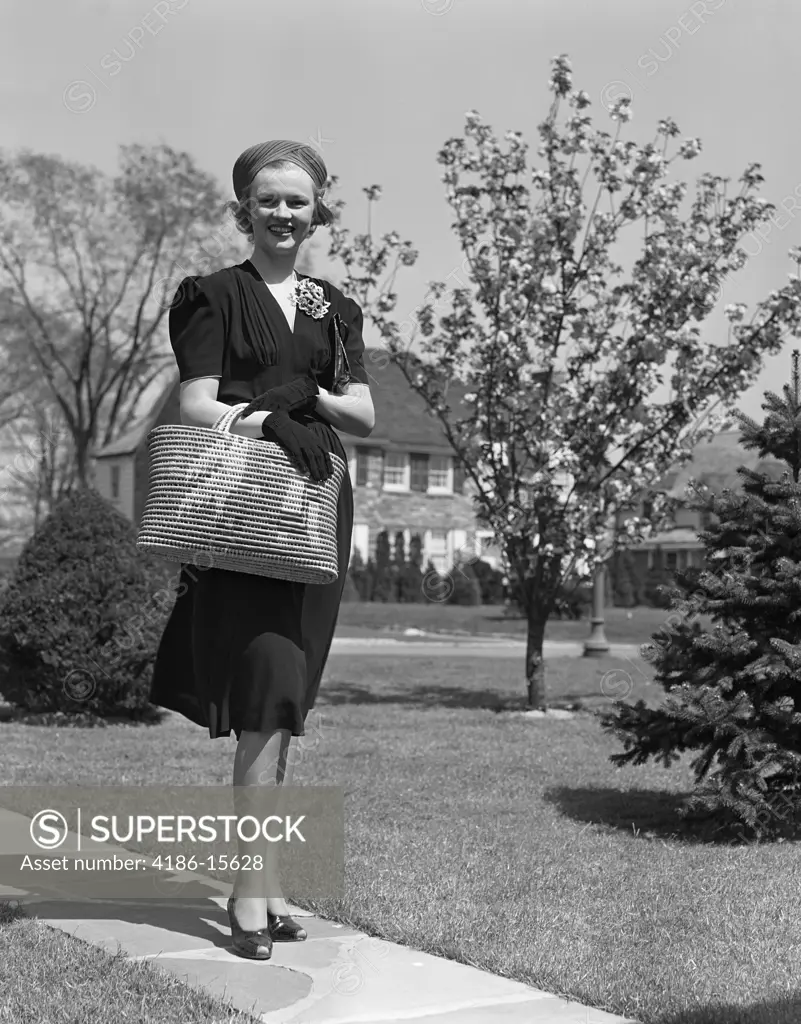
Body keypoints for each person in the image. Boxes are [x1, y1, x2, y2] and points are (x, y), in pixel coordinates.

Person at [149, 140, 375, 960]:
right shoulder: (211, 296)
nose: (284, 214)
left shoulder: (333, 307)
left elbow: (364, 414)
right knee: (262, 698)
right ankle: (250, 894)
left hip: (314, 513)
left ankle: (267, 881)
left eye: (299, 201)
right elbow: (194, 401)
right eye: (268, 199)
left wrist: (306, 395)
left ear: (320, 210)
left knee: (284, 709)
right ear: (243, 207)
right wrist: (265, 420)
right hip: (243, 515)